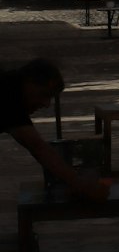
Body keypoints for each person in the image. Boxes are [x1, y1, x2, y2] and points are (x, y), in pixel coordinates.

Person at [0, 58, 109, 199]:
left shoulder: (11, 89)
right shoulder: (8, 95)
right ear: (29, 82)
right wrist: (81, 185)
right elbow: (37, 147)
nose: (46, 104)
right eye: (44, 94)